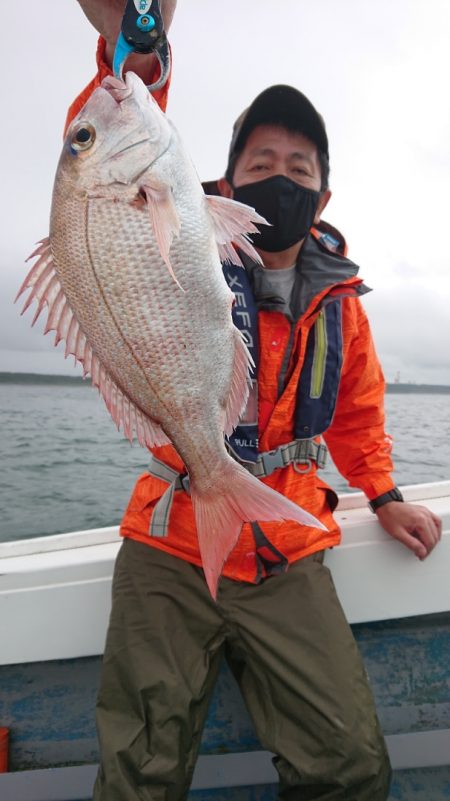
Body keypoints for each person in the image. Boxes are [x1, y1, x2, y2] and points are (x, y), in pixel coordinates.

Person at [70, 3, 442, 800]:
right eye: (263, 158)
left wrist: (385, 493)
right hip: (170, 540)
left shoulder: (341, 304)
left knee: (351, 767)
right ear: (226, 180)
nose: (283, 175)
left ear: (325, 191)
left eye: (301, 167)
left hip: (285, 546)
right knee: (136, 775)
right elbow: (115, 142)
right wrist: (133, 54)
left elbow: (359, 416)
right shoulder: (177, 230)